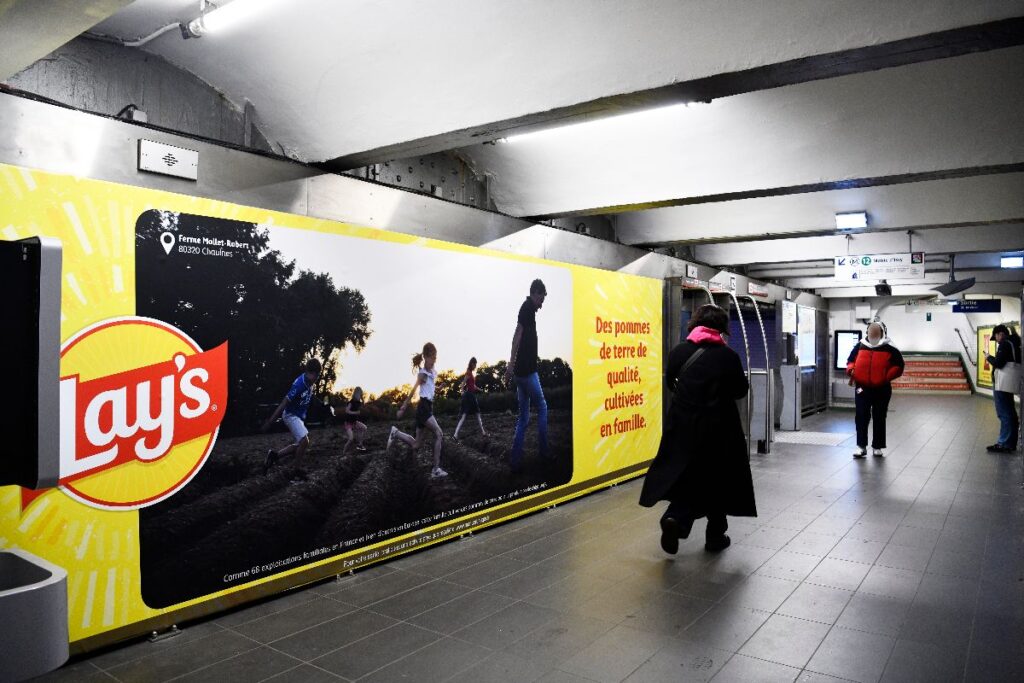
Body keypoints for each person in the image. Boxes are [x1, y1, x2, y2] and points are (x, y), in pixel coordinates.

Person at [639, 304, 756, 553]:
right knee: (718, 479)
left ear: (694, 324)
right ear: (721, 329)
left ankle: (675, 518)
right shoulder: (728, 357)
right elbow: (740, 390)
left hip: (682, 425)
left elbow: (671, 382)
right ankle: (715, 536)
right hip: (719, 429)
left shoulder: (679, 352)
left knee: (687, 475)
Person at [504, 279, 549, 470]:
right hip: (527, 372)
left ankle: (515, 461)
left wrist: (512, 368)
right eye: (542, 299)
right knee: (542, 407)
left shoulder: (529, 310)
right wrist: (510, 365)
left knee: (523, 418)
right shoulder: (527, 308)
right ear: (536, 293)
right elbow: (516, 336)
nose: (542, 304)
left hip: (521, 374)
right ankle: (544, 453)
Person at [387, 343, 448, 478]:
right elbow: (413, 390)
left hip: (427, 408)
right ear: (425, 357)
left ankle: (395, 433)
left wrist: (440, 388)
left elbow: (431, 388)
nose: (434, 360)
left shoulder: (433, 372)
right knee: (439, 434)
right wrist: (403, 407)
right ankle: (436, 469)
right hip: (424, 408)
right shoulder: (423, 373)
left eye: (435, 357)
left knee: (416, 445)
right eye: (432, 357)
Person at [846, 321, 904, 459]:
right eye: (871, 332)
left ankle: (877, 447)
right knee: (861, 417)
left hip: (882, 389)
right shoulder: (860, 345)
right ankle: (861, 446)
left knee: (879, 417)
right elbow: (850, 361)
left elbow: (899, 366)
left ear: (883, 333)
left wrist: (885, 377)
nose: (873, 335)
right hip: (862, 388)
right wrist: (851, 370)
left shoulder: (890, 348)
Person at [263, 358, 321, 474]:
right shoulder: (300, 385)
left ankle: (274, 456)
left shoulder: (309, 382)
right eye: (317, 376)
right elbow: (284, 403)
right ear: (312, 373)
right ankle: (296, 471)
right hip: (291, 415)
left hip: (298, 417)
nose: (317, 379)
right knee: (304, 441)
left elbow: (309, 397)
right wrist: (270, 422)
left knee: (300, 445)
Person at [985, 324, 1021, 452]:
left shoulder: (1005, 344)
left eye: (996, 336)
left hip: (1002, 383)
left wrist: (988, 357)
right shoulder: (1015, 343)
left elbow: (998, 363)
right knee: (1010, 412)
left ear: (1001, 334)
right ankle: (1010, 443)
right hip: (1009, 383)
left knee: (1004, 413)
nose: (997, 339)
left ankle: (1004, 443)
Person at [453, 357, 488, 440]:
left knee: (477, 414)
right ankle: (455, 435)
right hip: (468, 396)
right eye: (475, 364)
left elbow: (473, 386)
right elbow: (463, 383)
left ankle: (483, 432)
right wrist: (462, 392)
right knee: (465, 416)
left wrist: (480, 389)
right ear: (472, 364)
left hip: (471, 395)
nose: (475, 366)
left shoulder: (471, 373)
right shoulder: (468, 372)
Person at [341, 387, 368, 455]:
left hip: (354, 422)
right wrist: (355, 413)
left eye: (361, 394)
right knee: (351, 439)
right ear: (356, 393)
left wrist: (363, 399)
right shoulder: (351, 402)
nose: (361, 395)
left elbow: (363, 404)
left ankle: (360, 444)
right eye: (360, 394)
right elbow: (347, 411)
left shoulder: (358, 402)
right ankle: (343, 452)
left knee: (364, 428)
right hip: (348, 423)